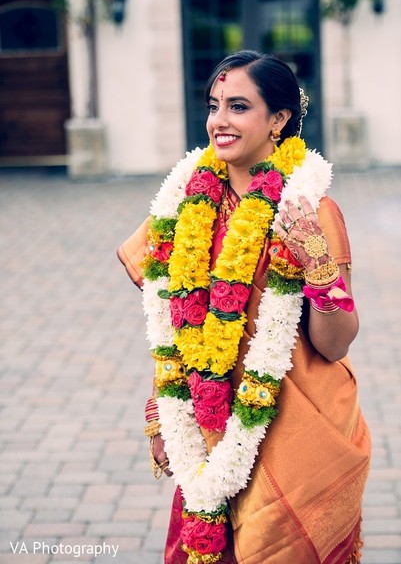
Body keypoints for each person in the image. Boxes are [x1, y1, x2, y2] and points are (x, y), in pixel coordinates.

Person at [117, 50, 371, 564]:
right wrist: (164, 412)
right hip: (208, 423)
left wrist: (317, 266)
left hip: (292, 424)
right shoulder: (184, 203)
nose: (219, 121)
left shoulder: (307, 208)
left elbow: (335, 341)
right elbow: (167, 322)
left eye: (238, 106)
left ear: (278, 119)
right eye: (214, 105)